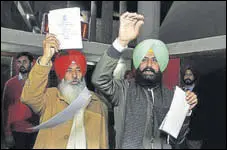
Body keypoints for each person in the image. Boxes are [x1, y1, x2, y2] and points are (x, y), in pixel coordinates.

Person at [92, 12, 198, 149]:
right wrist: (121, 42)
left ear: (161, 66)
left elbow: (176, 140)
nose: (149, 64)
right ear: (137, 65)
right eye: (144, 59)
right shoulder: (123, 91)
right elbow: (99, 79)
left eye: (154, 60)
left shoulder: (171, 96)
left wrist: (186, 110)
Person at [20, 34, 109, 149]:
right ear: (61, 74)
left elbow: (103, 142)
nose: (74, 75)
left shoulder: (97, 103)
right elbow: (28, 97)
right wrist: (45, 58)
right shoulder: (50, 98)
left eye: (78, 69)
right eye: (68, 70)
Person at [2, 52, 39, 149]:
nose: (21, 64)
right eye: (19, 62)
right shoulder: (10, 84)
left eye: (24, 62)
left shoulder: (38, 83)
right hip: (17, 131)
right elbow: (5, 110)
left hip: (36, 131)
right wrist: (7, 133)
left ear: (31, 63)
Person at [182, 66, 204, 149]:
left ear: (195, 76)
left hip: (194, 134)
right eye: (186, 74)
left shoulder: (201, 92)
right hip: (178, 134)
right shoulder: (179, 91)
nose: (187, 76)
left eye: (190, 74)